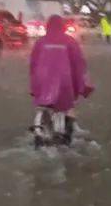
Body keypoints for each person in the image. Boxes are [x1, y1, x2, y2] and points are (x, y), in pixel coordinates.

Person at [29, 15, 93, 147]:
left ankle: (41, 131)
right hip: (64, 82)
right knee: (67, 106)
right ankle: (66, 136)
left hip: (43, 82)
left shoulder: (40, 42)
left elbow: (33, 65)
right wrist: (82, 86)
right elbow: (79, 65)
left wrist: (35, 87)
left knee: (44, 105)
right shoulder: (70, 42)